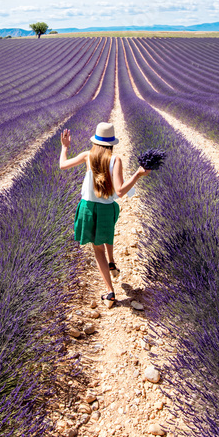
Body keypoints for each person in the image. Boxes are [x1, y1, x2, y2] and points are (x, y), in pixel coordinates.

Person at [60, 122, 150, 305]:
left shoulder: (87, 156)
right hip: (107, 208)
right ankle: (112, 262)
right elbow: (121, 191)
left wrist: (65, 147)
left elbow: (62, 165)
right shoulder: (115, 160)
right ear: (111, 143)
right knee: (106, 234)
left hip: (88, 208)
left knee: (97, 248)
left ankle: (110, 291)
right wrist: (138, 174)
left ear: (95, 141)